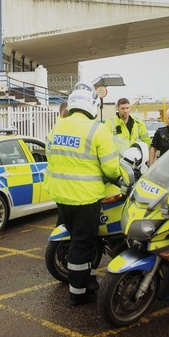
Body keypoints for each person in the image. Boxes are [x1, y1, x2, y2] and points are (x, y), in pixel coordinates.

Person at [45, 82, 120, 306]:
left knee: (77, 240)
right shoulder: (97, 129)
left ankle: (87, 279)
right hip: (85, 198)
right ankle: (78, 294)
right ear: (91, 105)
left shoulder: (57, 127)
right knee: (82, 244)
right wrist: (115, 177)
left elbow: (52, 156)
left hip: (61, 196)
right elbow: (111, 168)